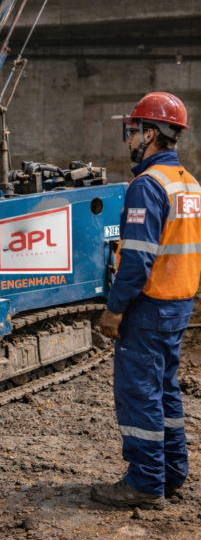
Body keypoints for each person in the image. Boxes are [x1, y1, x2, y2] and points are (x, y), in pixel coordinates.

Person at [91, 92, 201, 510]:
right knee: (165, 392)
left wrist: (114, 309)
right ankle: (172, 473)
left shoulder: (148, 185)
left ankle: (144, 483)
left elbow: (136, 259)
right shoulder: (189, 184)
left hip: (148, 308)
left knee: (139, 394)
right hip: (179, 305)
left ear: (150, 134)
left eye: (132, 131)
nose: (129, 139)